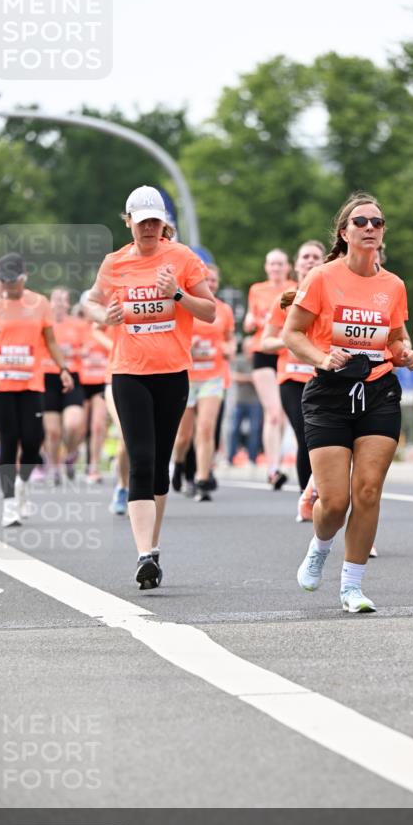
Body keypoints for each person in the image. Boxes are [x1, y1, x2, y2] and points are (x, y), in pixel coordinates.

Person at [283, 192, 413, 613]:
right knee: (335, 501)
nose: (370, 228)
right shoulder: (323, 278)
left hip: (378, 392)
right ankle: (320, 546)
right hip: (329, 394)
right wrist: (324, 358)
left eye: (377, 222)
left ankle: (352, 586)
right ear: (344, 233)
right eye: (360, 222)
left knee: (369, 490)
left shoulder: (392, 285)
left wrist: (406, 352)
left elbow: (396, 338)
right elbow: (293, 333)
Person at [84, 185, 215, 589]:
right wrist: (105, 315)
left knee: (159, 463)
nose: (149, 229)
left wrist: (176, 294)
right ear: (128, 223)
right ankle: (143, 556)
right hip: (129, 372)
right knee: (140, 458)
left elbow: (209, 310)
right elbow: (88, 302)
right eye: (141, 223)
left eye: (155, 222)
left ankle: (153, 548)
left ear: (164, 223)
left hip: (173, 373)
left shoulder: (182, 258)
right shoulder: (115, 262)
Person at [0, 253, 73, 527]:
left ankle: (23, 485)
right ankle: (9, 504)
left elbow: (51, 341)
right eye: (4, 282)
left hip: (31, 382)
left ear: (24, 277)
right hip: (0, 382)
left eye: (13, 282)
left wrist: (63, 369)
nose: (9, 287)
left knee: (34, 440)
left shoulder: (39, 304)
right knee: (9, 438)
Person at [262, 241, 325, 520]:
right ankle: (307, 497)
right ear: (296, 265)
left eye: (316, 257)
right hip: (291, 377)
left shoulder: (331, 297)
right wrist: (289, 342)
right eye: (305, 257)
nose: (310, 261)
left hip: (321, 375)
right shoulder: (285, 298)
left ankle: (322, 494)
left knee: (323, 439)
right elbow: (265, 341)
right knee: (305, 435)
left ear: (324, 262)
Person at [171, 263, 236, 501]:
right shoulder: (185, 306)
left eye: (214, 281)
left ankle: (202, 478)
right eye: (206, 281)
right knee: (183, 436)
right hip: (187, 376)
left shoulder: (224, 310)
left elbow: (229, 340)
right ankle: (178, 463)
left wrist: (229, 348)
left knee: (206, 428)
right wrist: (190, 347)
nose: (210, 284)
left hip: (213, 375)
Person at [245, 248, 297, 488]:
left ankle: (281, 461)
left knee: (285, 412)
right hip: (263, 352)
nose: (275, 268)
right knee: (273, 412)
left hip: (288, 353)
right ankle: (273, 469)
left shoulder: (294, 289)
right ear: (266, 267)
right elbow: (249, 320)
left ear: (287, 267)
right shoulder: (257, 289)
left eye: (280, 264)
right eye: (271, 264)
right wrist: (252, 321)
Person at [41, 286, 87, 483]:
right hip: (48, 379)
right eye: (56, 300)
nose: (59, 304)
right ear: (50, 302)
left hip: (72, 378)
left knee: (73, 424)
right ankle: (54, 467)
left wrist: (80, 352)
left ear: (68, 304)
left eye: (63, 300)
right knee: (52, 431)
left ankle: (70, 454)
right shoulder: (42, 325)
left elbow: (89, 348)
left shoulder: (78, 325)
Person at [78, 301, 110, 485]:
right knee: (80, 427)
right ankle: (75, 455)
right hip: (81, 383)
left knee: (98, 425)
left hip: (101, 381)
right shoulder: (78, 328)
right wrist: (79, 352)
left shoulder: (108, 328)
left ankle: (94, 467)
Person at [228, 336, 263, 465]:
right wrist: (250, 378)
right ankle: (230, 458)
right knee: (233, 430)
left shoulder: (258, 361)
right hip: (240, 401)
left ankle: (252, 459)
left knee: (254, 431)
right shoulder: (239, 360)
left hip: (255, 401)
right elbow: (233, 376)